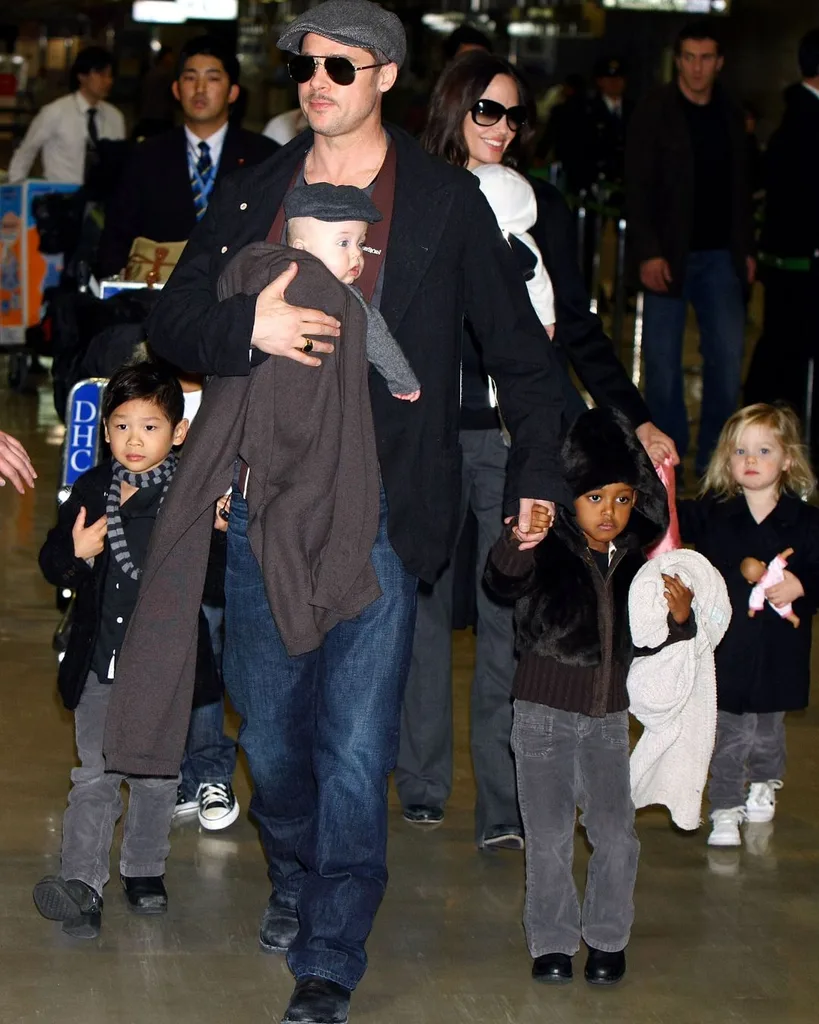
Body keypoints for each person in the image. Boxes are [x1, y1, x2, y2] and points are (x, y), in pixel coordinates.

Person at [99, 1, 575, 1019]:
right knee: (273, 741)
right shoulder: (257, 188)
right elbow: (174, 316)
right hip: (262, 510)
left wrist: (538, 475)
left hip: (386, 520)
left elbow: (529, 365)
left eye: (340, 69)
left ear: (388, 77)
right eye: (307, 66)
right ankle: (302, 872)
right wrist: (251, 322)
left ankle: (331, 947)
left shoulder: (447, 204)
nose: (317, 82)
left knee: (359, 747)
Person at [396, 49, 676, 849]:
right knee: (418, 609)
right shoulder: (416, 200)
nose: (502, 128)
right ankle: (420, 781)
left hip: (518, 444)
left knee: (508, 618)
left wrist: (634, 417)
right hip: (428, 434)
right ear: (452, 111)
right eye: (487, 110)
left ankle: (504, 803)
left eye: (514, 115)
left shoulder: (538, 204)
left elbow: (578, 327)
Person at [485, 407, 694, 986]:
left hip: (606, 722)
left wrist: (681, 620)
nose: (609, 512)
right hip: (542, 718)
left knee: (617, 836)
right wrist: (518, 540)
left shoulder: (637, 568)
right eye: (596, 497)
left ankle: (607, 938)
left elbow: (650, 642)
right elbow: (501, 580)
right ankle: (551, 943)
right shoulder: (547, 547)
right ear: (569, 496)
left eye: (624, 499)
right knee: (548, 836)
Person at [33, 364, 191, 939]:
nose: (133, 439)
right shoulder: (93, 489)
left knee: (155, 778)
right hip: (100, 665)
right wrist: (75, 552)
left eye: (150, 426)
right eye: (121, 425)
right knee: (94, 777)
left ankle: (145, 869)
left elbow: (215, 582)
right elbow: (52, 562)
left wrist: (227, 531)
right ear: (104, 431)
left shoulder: (190, 497)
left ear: (177, 433)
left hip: (164, 672)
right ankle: (81, 883)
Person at [676, 404, 819, 848]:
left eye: (763, 450)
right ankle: (724, 807)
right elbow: (666, 519)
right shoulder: (713, 512)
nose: (751, 460)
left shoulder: (807, 521)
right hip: (729, 647)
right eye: (741, 450)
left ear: (787, 460)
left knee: (768, 729)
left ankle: (765, 780)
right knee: (730, 729)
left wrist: (802, 583)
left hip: (780, 649)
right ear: (726, 459)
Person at [626, 20, 755, 477]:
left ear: (718, 63)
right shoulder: (655, 110)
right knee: (662, 366)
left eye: (706, 58)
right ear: (677, 60)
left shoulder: (730, 112)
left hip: (721, 254)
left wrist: (746, 251)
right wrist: (647, 251)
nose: (697, 68)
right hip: (667, 254)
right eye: (689, 57)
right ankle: (671, 460)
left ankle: (716, 464)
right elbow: (637, 187)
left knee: (725, 359)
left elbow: (743, 187)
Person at [97, 36, 278, 279]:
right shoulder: (145, 156)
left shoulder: (264, 156)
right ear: (176, 89)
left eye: (213, 78)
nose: (200, 89)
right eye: (190, 78)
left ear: (233, 92)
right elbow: (116, 236)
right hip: (158, 295)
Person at [745, 30, 819, 459]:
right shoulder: (805, 121)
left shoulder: (798, 115)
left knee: (779, 351)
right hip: (799, 264)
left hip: (793, 262)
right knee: (784, 357)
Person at [284, 183, 420, 399]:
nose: (357, 253)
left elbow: (379, 341)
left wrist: (402, 380)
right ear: (301, 250)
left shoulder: (351, 300)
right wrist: (403, 381)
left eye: (361, 243)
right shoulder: (275, 288)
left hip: (317, 399)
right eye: (344, 242)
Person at [8, 47, 124, 185]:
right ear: (82, 76)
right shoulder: (55, 112)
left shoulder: (115, 117)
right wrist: (14, 191)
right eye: (101, 74)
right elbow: (27, 151)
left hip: (101, 198)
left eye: (110, 76)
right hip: (61, 197)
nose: (107, 81)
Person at [471, 163, 555, 333]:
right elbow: (539, 283)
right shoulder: (522, 244)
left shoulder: (519, 245)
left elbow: (537, 281)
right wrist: (546, 319)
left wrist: (546, 319)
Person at [134, 46, 176, 139]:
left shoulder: (151, 73)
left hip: (148, 116)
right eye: (170, 56)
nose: (172, 60)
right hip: (159, 117)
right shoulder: (164, 75)